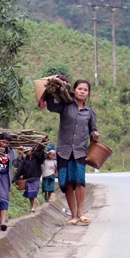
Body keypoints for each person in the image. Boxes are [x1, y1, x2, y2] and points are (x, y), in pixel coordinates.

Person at [45, 79, 100, 225]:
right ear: (74, 90)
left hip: (80, 151)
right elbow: (50, 107)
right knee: (67, 183)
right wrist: (48, 91)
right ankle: (73, 216)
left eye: (85, 90)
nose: (82, 91)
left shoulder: (90, 112)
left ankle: (81, 212)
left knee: (80, 181)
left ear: (88, 93)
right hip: (64, 151)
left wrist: (95, 134)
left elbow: (93, 129)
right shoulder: (65, 106)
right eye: (80, 89)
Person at [0, 133, 20, 231]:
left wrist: (20, 154)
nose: (5, 145)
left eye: (7, 143)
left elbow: (16, 164)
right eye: (3, 142)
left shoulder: (11, 152)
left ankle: (3, 222)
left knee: (3, 198)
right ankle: (0, 222)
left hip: (5, 177)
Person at [13, 146, 44, 212]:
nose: (27, 153)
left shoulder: (37, 159)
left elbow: (42, 158)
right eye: (26, 152)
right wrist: (15, 178)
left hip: (35, 178)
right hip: (28, 179)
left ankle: (34, 207)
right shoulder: (24, 161)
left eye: (28, 151)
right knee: (30, 193)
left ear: (32, 151)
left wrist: (42, 149)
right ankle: (32, 206)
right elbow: (20, 170)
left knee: (34, 192)